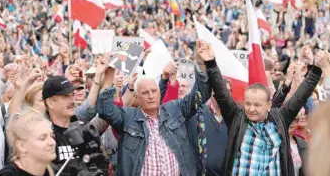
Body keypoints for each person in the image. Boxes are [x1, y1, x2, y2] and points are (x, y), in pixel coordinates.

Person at [97, 40, 215, 176]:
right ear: (136, 96)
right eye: (145, 93)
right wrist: (109, 76)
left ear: (159, 91)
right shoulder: (127, 117)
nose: (151, 96)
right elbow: (105, 111)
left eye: (154, 90)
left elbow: (201, 95)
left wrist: (202, 64)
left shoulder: (175, 109)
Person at [205, 48, 327, 176]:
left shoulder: (280, 118)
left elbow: (301, 95)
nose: (251, 109)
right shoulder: (237, 118)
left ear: (269, 105)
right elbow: (221, 92)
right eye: (248, 103)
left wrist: (317, 69)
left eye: (257, 105)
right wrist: (211, 63)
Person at [0, 108, 56, 176]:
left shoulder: (50, 171)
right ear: (21, 146)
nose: (52, 142)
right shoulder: (8, 174)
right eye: (42, 138)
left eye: (52, 136)